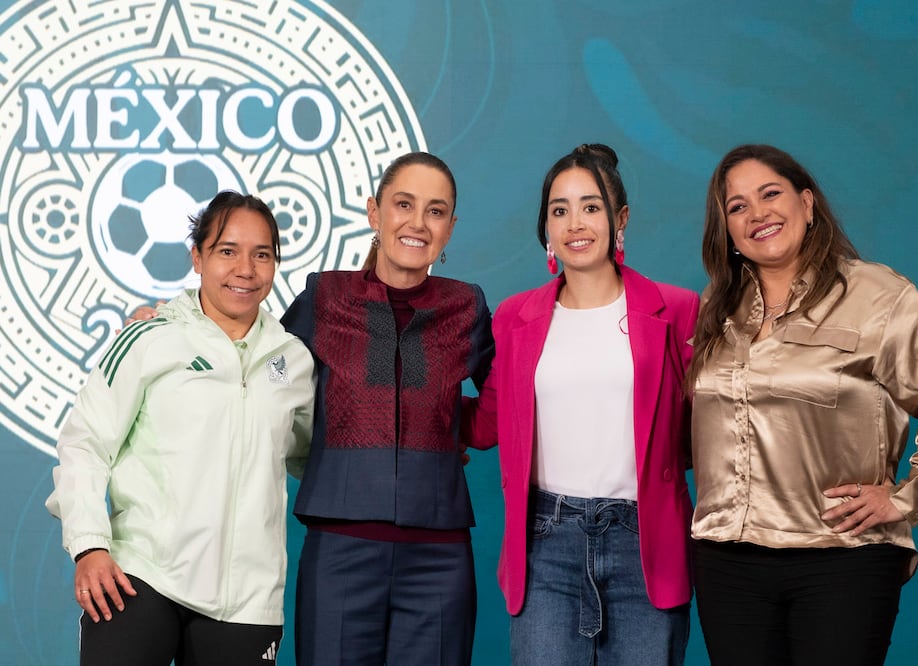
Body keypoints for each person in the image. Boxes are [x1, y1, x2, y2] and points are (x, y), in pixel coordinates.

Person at [686, 144, 918, 666]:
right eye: (737, 207)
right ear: (728, 233)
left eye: (770, 194)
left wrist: (905, 497)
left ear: (808, 204)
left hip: (841, 558)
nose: (757, 213)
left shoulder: (879, 296)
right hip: (727, 561)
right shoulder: (715, 310)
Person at [45, 191, 316, 665]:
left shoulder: (292, 359)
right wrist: (89, 546)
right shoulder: (151, 337)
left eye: (262, 254)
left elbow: (316, 456)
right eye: (227, 251)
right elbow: (85, 443)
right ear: (198, 256)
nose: (245, 269)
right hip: (141, 577)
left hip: (248, 600)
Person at [463, 144, 698, 665]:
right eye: (559, 209)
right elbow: (488, 423)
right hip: (547, 545)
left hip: (646, 546)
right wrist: (403, 411)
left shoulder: (677, 311)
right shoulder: (514, 316)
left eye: (591, 207)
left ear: (621, 220)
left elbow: (707, 431)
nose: (575, 222)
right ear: (546, 227)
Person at [282, 151, 494, 666]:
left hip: (439, 560)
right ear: (375, 212)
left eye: (436, 210)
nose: (418, 223)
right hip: (339, 550)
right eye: (404, 204)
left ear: (450, 227)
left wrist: (448, 428)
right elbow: (252, 370)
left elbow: (506, 403)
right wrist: (173, 321)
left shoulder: (467, 306)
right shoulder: (323, 296)